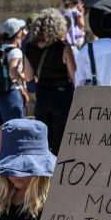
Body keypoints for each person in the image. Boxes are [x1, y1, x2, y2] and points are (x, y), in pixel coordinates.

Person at [25, 8, 76, 155]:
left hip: (42, 95)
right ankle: (58, 174)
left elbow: (28, 77)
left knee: (44, 141)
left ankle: (44, 175)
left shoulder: (29, 48)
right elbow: (74, 75)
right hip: (62, 96)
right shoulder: (63, 47)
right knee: (60, 142)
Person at [0, 18, 27, 157]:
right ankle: (14, 175)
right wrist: (24, 76)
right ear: (17, 33)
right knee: (14, 137)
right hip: (11, 95)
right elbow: (12, 72)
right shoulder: (15, 52)